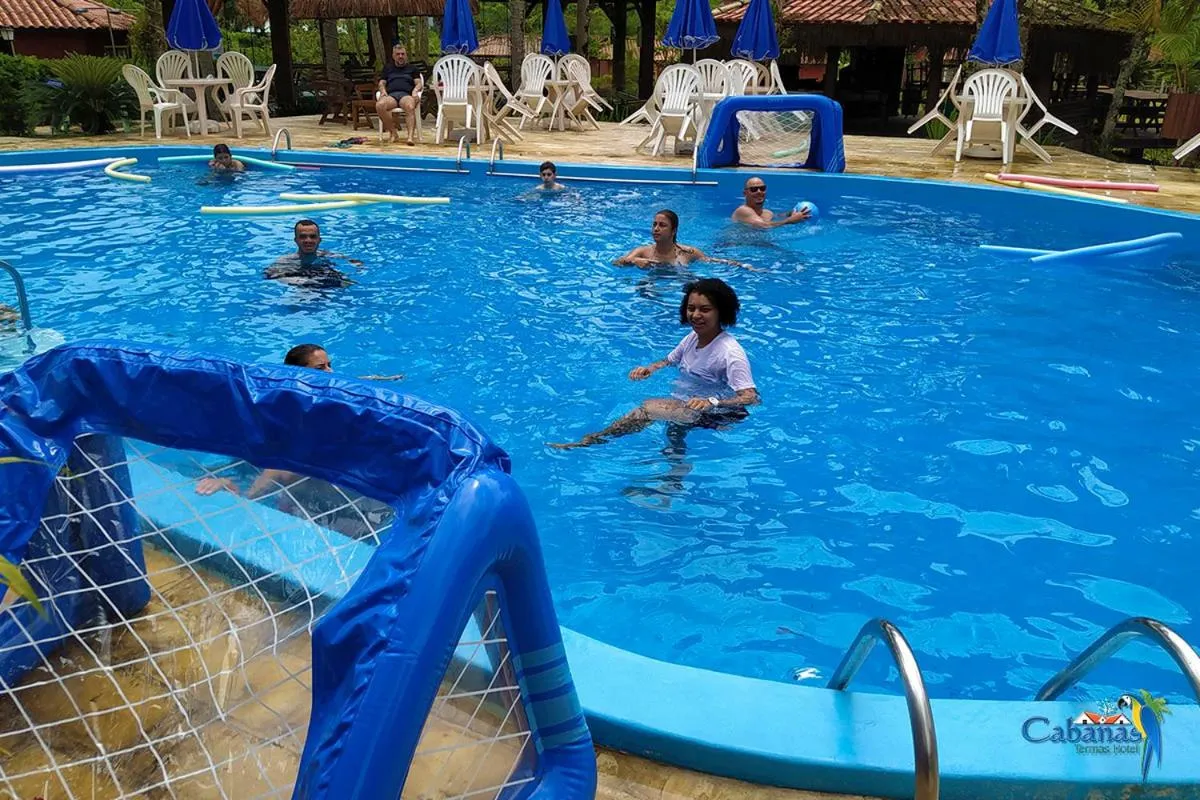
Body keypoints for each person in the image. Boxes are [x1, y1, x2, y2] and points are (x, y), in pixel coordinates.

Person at [195, 344, 394, 540]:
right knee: (281, 470)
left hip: (330, 499)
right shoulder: (275, 412)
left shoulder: (336, 406)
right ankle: (238, 492)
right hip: (299, 492)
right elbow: (254, 455)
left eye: (329, 365)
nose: (330, 372)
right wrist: (226, 479)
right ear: (297, 374)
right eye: (320, 368)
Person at [549, 278, 760, 449]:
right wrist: (649, 369)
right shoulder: (692, 338)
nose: (695, 315)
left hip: (721, 415)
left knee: (649, 408)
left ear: (721, 312)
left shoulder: (730, 352)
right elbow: (668, 360)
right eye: (691, 308)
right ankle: (675, 471)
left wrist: (712, 402)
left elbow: (750, 398)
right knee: (672, 434)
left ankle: (593, 440)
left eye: (705, 309)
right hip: (690, 404)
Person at [615, 210, 751, 269]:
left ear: (673, 231)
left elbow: (710, 261)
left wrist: (742, 265)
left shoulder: (688, 252)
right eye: (654, 224)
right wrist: (634, 261)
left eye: (662, 225)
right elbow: (617, 263)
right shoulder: (643, 252)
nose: (656, 229)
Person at [264, 220, 356, 289]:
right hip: (300, 279)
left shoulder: (325, 254)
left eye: (312, 237)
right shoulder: (285, 261)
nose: (308, 240)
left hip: (323, 277)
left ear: (319, 240)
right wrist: (305, 282)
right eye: (303, 237)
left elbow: (347, 258)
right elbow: (270, 276)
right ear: (296, 240)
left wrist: (356, 263)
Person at [375, 44, 424, 146]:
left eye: (403, 54)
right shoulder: (388, 68)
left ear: (406, 55)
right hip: (391, 96)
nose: (400, 56)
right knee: (379, 105)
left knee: (410, 106)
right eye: (398, 54)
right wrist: (383, 91)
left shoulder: (412, 68)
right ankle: (393, 133)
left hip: (406, 95)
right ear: (393, 56)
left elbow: (419, 83)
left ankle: (410, 137)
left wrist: (415, 91)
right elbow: (381, 83)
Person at [731, 177, 809, 229]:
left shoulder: (767, 213)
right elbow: (763, 226)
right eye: (753, 189)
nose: (759, 192)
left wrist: (791, 213)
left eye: (762, 188)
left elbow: (778, 216)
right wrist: (790, 220)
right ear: (745, 194)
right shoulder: (743, 210)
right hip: (733, 246)